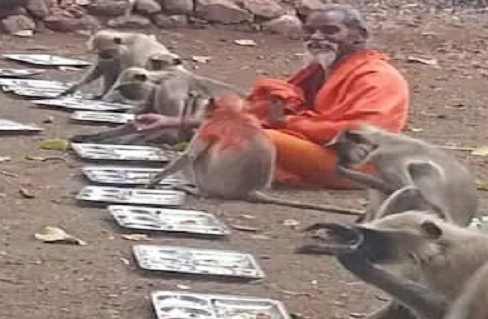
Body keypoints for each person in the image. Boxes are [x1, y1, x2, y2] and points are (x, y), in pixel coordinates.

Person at [133, 4, 410, 189]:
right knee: (243, 128)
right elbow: (261, 112)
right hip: (315, 149)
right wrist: (174, 122)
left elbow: (361, 134)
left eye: (330, 31)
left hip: (355, 166)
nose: (317, 37)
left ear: (358, 36)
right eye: (310, 31)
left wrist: (289, 124)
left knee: (253, 138)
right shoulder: (318, 71)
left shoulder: (377, 76)